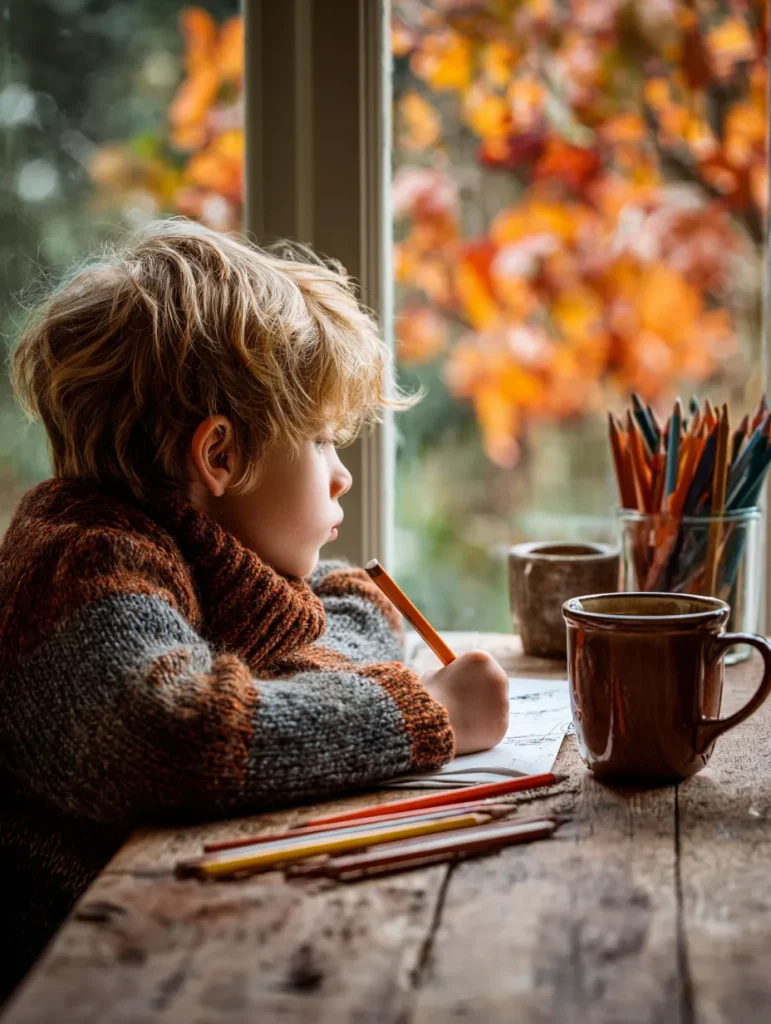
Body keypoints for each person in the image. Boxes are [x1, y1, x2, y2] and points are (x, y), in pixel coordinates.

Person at [0, 219, 509, 1001]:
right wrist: (422, 711)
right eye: (321, 443)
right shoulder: (83, 560)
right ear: (220, 457)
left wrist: (349, 618)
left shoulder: (181, 553)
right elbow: (180, 733)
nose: (341, 477)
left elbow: (313, 628)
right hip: (75, 986)